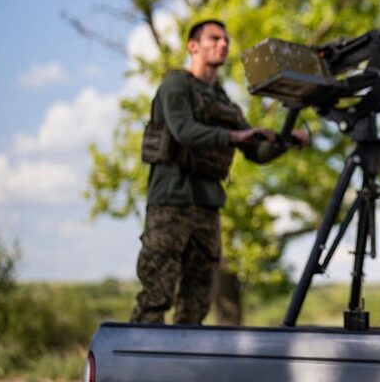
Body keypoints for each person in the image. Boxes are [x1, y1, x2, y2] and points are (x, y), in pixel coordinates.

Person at [129, 19, 310, 325]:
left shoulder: (222, 101)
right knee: (156, 295)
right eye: (214, 38)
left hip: (208, 207)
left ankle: (183, 369)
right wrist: (232, 136)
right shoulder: (176, 85)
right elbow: (183, 130)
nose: (223, 44)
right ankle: (135, 368)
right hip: (171, 203)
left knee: (197, 302)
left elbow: (256, 152)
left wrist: (285, 139)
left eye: (226, 40)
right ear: (193, 46)